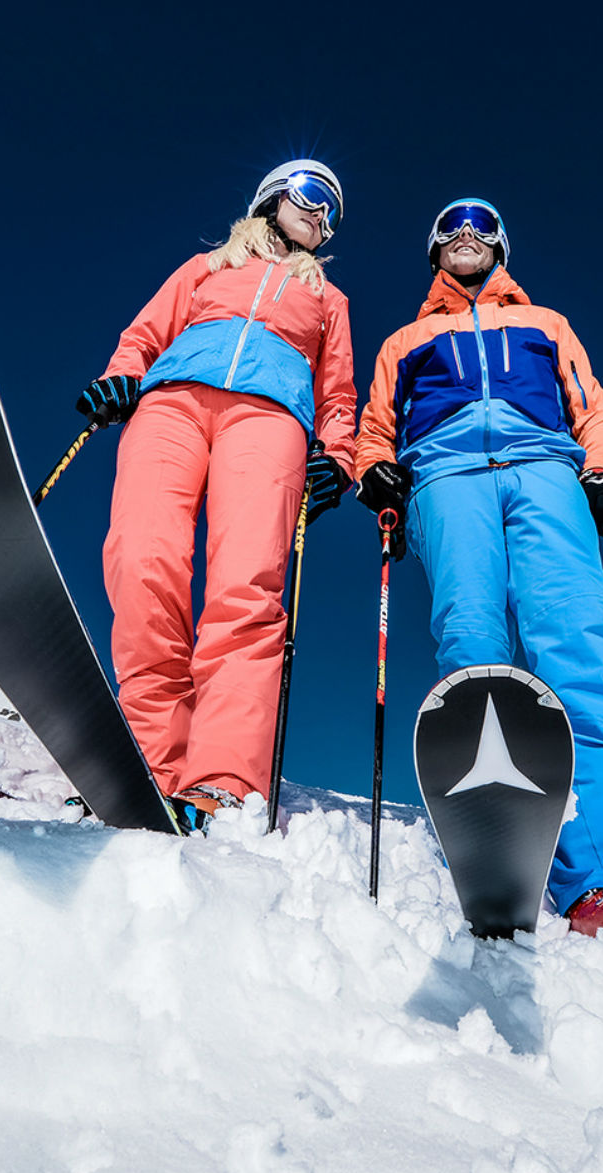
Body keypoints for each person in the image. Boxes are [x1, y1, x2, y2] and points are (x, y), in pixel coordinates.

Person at [353, 197, 603, 952]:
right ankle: (500, 851)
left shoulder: (546, 324)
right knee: (474, 650)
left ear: (500, 245)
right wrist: (376, 476)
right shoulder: (405, 341)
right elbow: (374, 429)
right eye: (452, 227)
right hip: (445, 473)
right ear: (434, 250)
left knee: (578, 647)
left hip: (543, 468)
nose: (468, 235)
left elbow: (590, 407)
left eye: (483, 226)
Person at [76, 160, 356, 833]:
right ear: (273, 196)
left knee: (246, 588)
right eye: (314, 197)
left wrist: (339, 459)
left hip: (271, 418)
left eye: (333, 214)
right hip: (171, 405)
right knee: (143, 561)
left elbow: (339, 393)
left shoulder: (328, 299)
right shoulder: (207, 268)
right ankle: (151, 759)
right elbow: (144, 334)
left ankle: (223, 779)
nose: (322, 217)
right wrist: (123, 377)